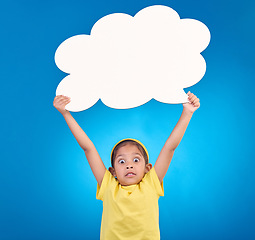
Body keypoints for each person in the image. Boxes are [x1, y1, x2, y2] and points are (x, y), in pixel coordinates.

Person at [53, 92, 200, 240]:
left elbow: (170, 147)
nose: (129, 165)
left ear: (147, 168)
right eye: (122, 161)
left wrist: (187, 112)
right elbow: (88, 148)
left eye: (136, 160)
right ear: (113, 171)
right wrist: (66, 113)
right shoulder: (108, 185)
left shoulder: (151, 183)